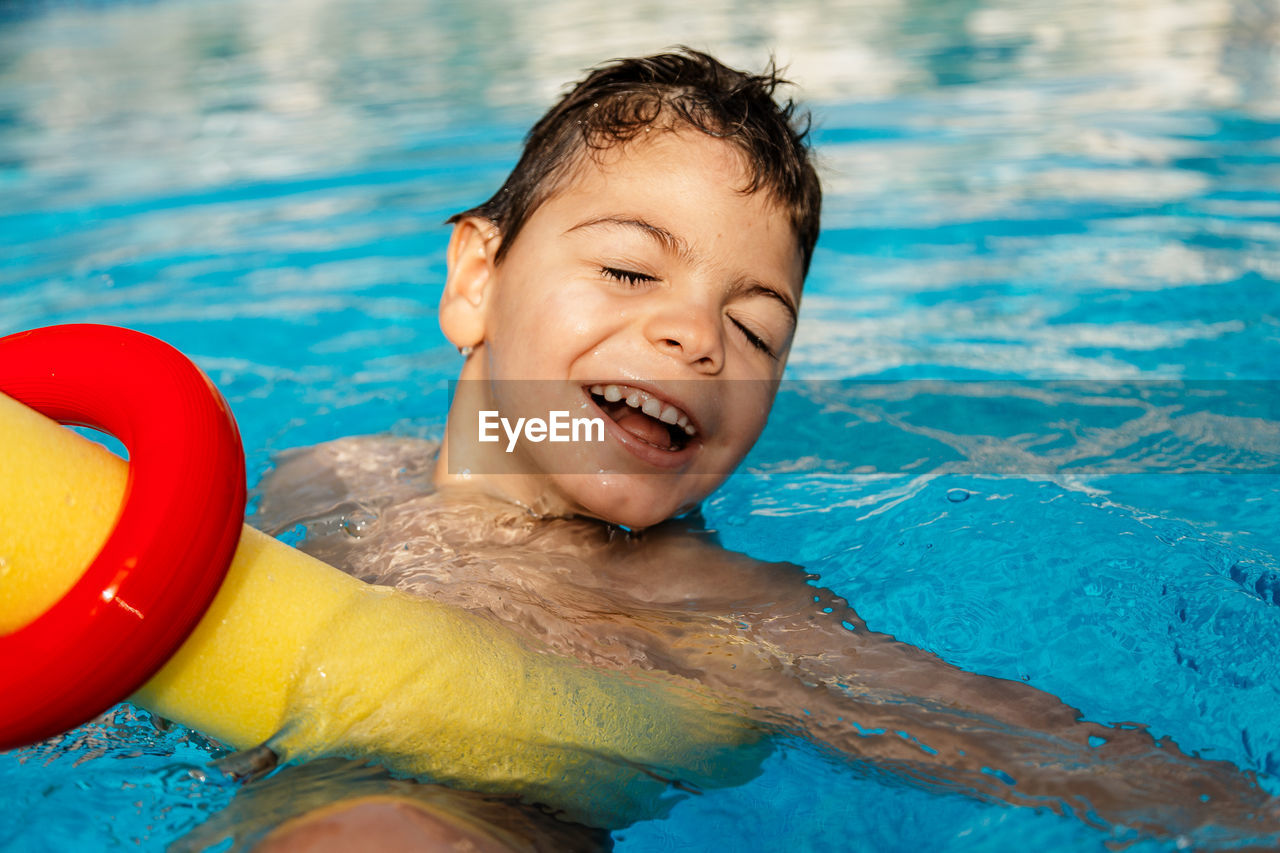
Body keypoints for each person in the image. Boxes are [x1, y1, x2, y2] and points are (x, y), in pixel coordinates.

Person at [236, 49, 1277, 851]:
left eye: (754, 330)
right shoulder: (333, 470)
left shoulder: (722, 611)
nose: (697, 335)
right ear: (474, 280)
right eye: (633, 273)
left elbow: (1038, 750)